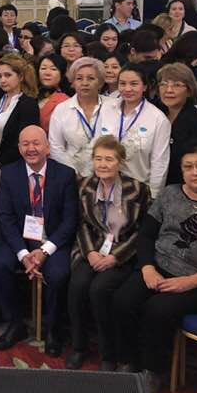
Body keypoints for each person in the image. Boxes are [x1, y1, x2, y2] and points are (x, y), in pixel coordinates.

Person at [114, 141, 197, 393]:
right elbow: (146, 236)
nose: (194, 172)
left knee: (157, 310)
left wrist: (190, 282)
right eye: (188, 167)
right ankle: (129, 360)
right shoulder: (170, 194)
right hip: (157, 268)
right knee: (123, 300)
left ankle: (153, 371)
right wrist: (147, 268)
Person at [0, 126, 78, 356]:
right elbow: (6, 217)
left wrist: (45, 251)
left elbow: (70, 221)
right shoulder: (8, 173)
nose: (31, 148)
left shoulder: (66, 175)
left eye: (36, 143)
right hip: (19, 240)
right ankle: (15, 323)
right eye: (25, 144)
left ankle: (53, 329)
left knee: (58, 274)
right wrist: (22, 253)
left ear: (47, 147)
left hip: (52, 240)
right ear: (19, 148)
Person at [66, 136, 149, 370]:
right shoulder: (85, 186)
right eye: (98, 159)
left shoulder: (138, 189)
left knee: (99, 289)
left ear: (120, 162)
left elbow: (142, 231)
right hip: (91, 248)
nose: (103, 164)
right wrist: (90, 252)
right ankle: (79, 346)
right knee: (78, 285)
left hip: (122, 252)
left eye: (109, 159)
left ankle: (108, 353)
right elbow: (81, 223)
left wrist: (115, 257)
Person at [98, 65, 170, 197]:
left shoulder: (158, 119)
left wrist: (154, 196)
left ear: (145, 87)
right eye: (122, 83)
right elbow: (96, 144)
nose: (127, 89)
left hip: (138, 191)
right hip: (104, 185)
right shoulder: (106, 109)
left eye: (134, 84)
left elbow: (159, 162)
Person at [49, 57, 108, 178]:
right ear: (73, 82)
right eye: (79, 78)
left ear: (100, 82)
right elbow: (55, 147)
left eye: (91, 78)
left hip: (106, 171)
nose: (85, 83)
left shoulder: (112, 106)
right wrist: (74, 173)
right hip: (70, 174)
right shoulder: (61, 109)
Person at [157, 63, 197, 185]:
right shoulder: (157, 114)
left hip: (183, 184)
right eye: (164, 84)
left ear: (189, 91)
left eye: (177, 85)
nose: (169, 90)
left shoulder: (196, 120)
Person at [0, 54, 40, 167]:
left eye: (8, 75)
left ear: (21, 77)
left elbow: (23, 141)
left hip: (10, 164)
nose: (3, 80)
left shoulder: (28, 104)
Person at [36, 53, 70, 134]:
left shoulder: (65, 101)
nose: (47, 73)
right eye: (43, 68)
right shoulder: (30, 94)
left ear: (62, 74)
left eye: (53, 69)